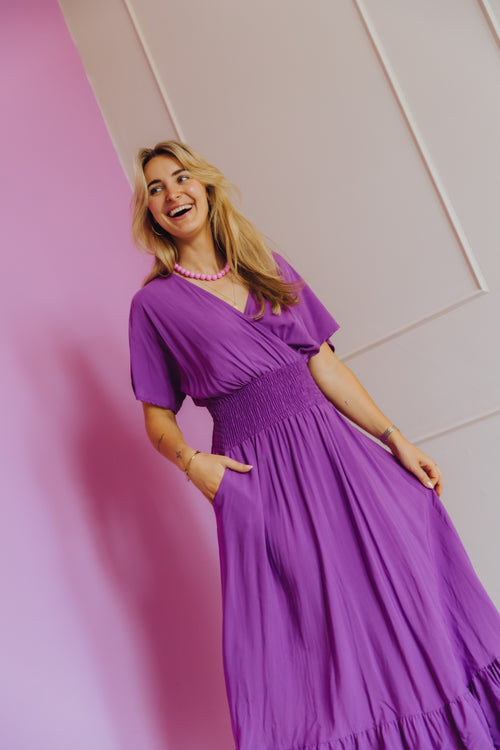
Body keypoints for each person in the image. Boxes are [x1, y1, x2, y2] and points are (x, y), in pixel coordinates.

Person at [128, 140, 500, 750]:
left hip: (338, 458)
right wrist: (193, 464)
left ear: (206, 186)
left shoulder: (265, 264)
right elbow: (156, 415)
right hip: (260, 478)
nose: (172, 193)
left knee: (399, 593)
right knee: (314, 637)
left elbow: (324, 366)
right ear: (150, 211)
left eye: (181, 177)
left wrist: (395, 439)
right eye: (155, 188)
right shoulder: (154, 305)